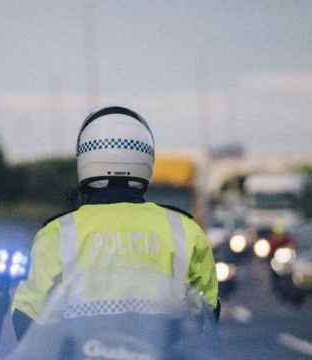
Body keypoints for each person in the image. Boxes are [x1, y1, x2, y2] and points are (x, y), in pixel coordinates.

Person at [11, 106, 219, 341]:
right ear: (147, 158)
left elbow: (26, 316)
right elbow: (207, 312)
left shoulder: (58, 233)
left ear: (85, 159)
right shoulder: (184, 230)